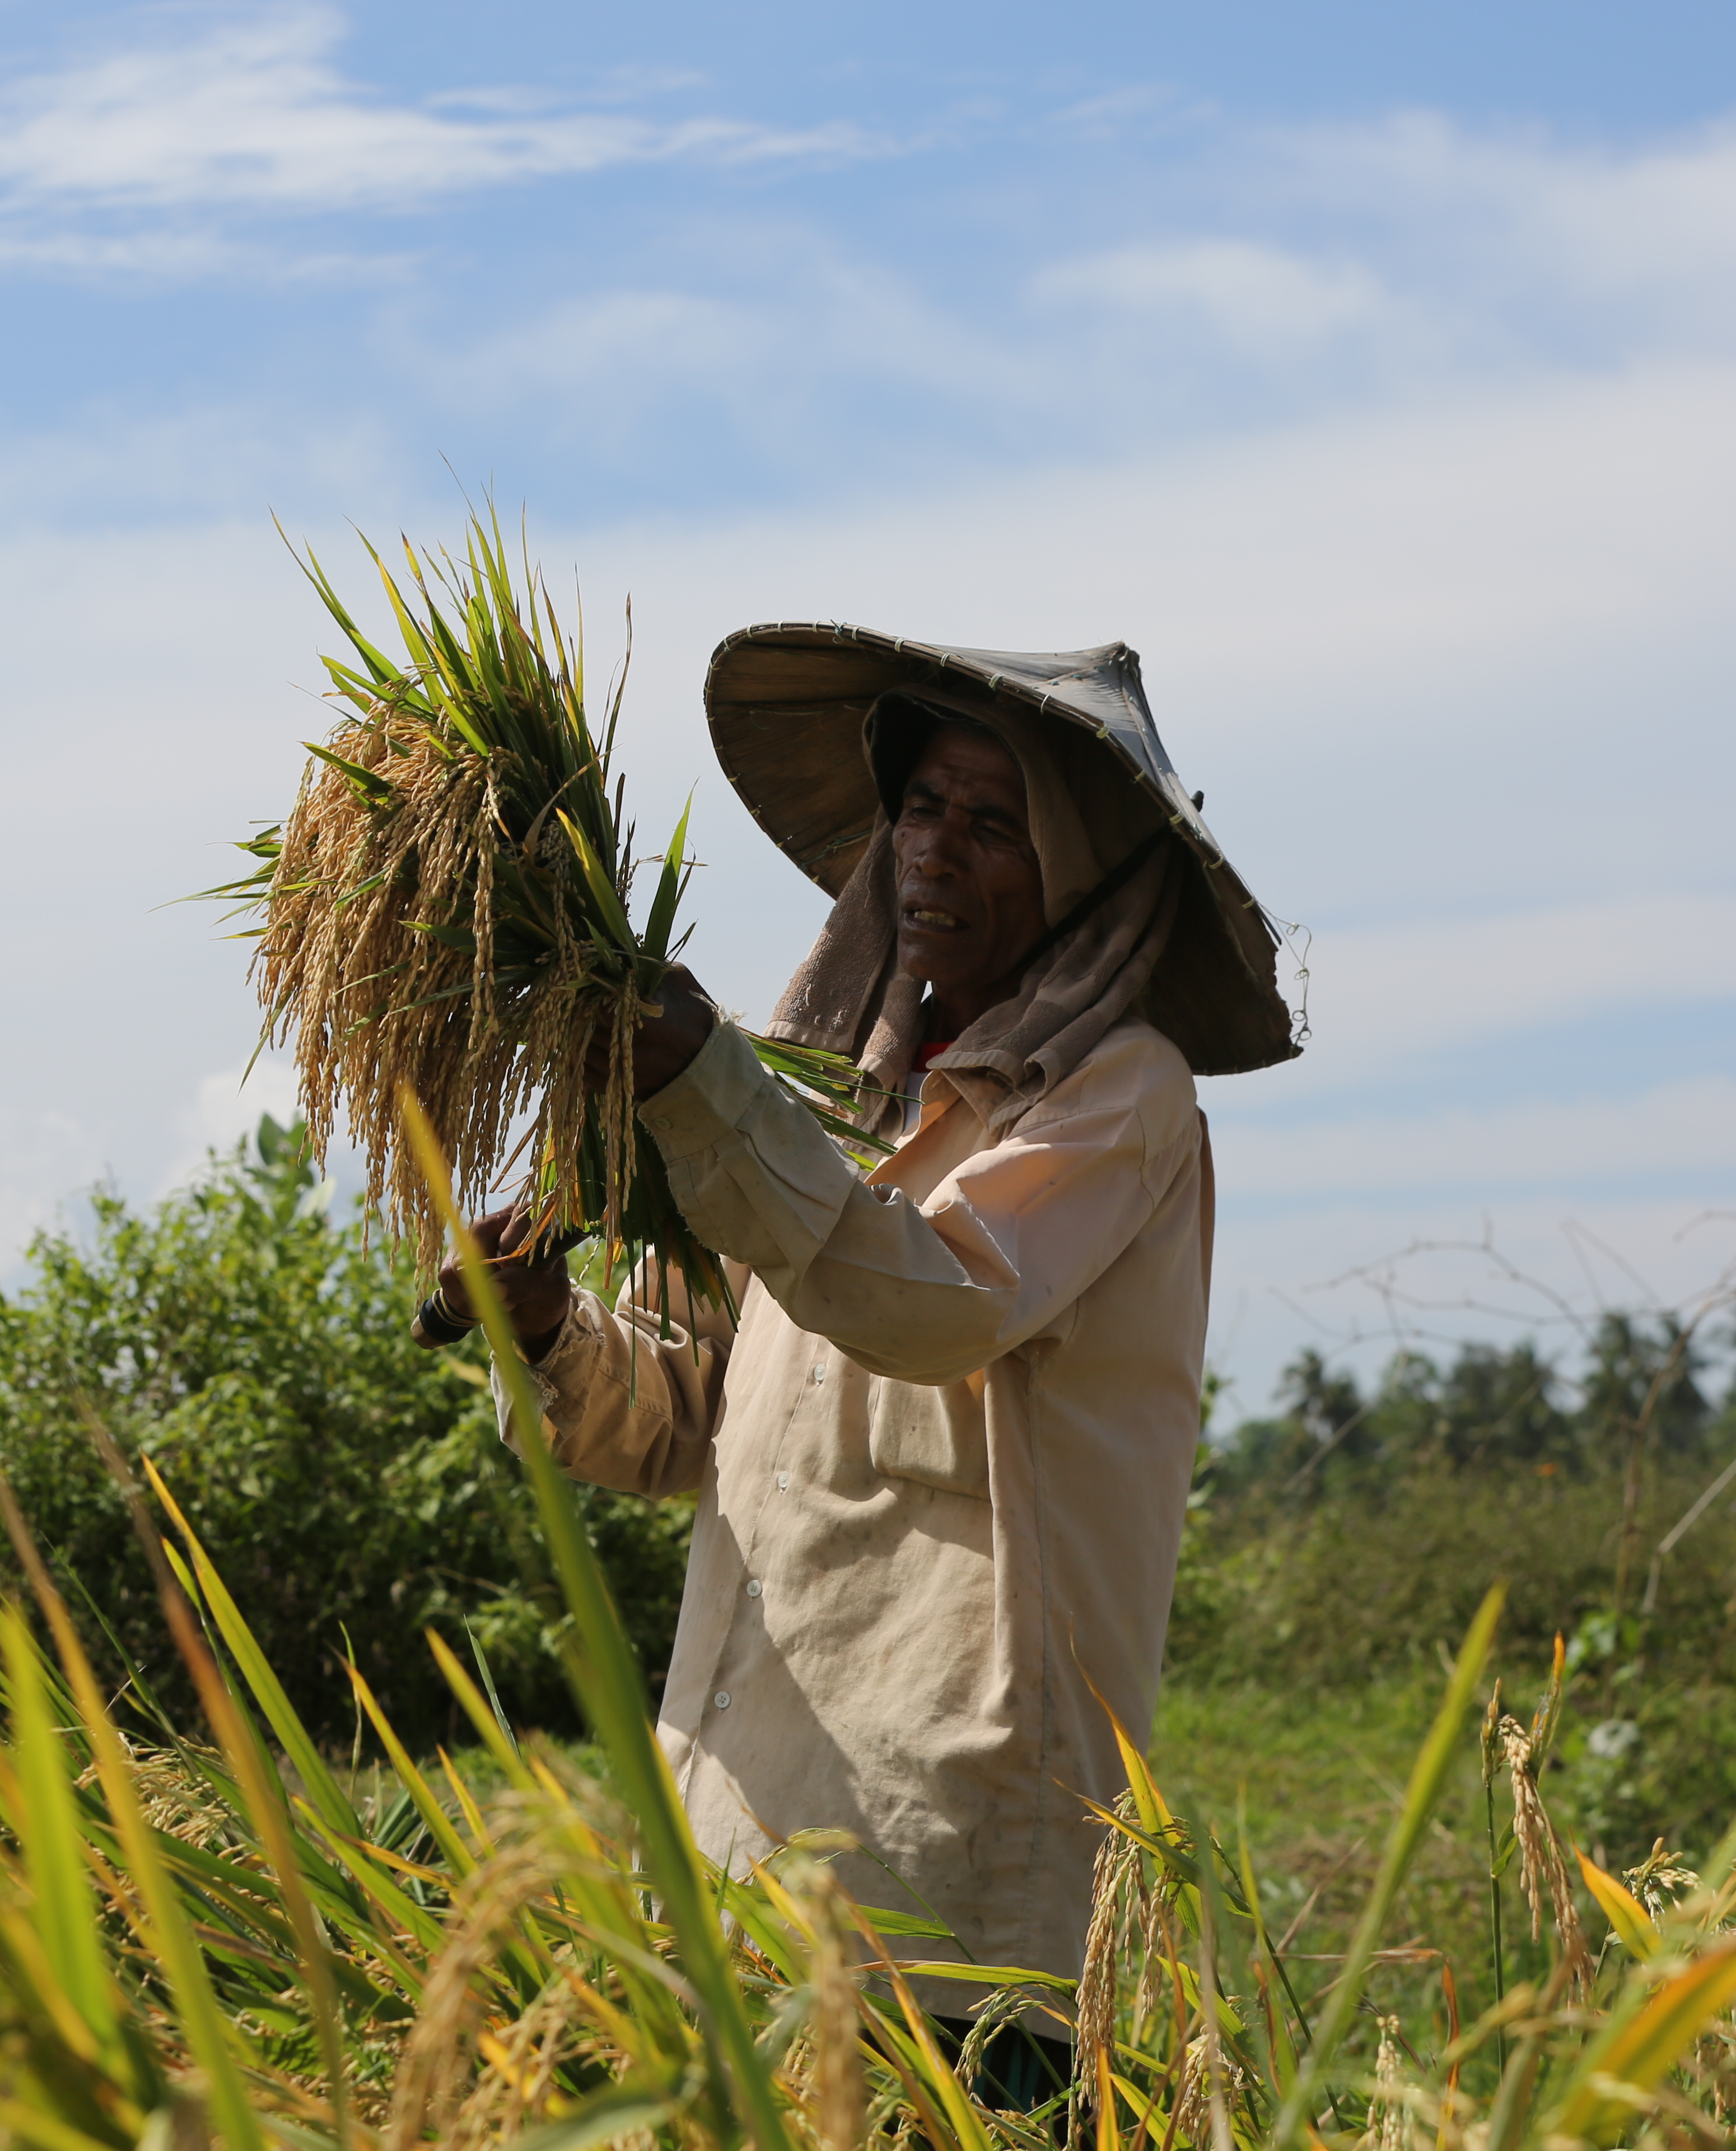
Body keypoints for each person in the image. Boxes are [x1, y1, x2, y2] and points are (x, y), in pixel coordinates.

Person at [425, 625, 1298, 2117]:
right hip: (745, 1807)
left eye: (992, 821)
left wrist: (701, 1084)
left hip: (954, 1839)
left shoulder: (1114, 1096)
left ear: (1080, 866)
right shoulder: (813, 1082)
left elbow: (938, 1301)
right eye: (918, 811)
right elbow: (683, 1418)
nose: (933, 855)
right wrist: (548, 1329)